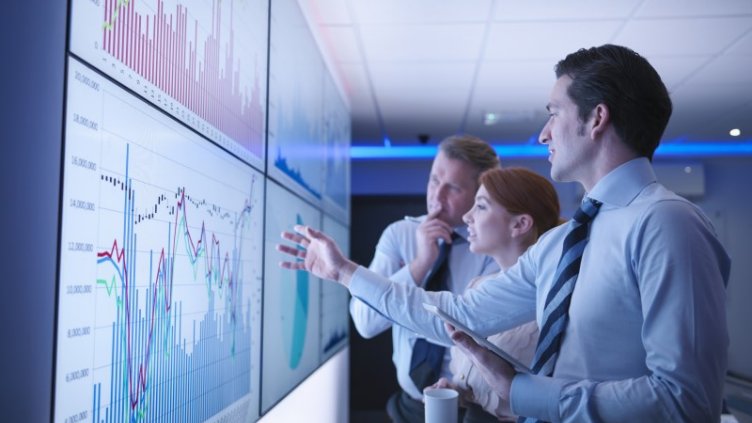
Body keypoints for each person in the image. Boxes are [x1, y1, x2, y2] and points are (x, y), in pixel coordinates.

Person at [278, 44, 731, 422]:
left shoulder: (667, 224)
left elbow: (685, 401)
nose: (542, 134)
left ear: (596, 119)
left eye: (553, 113)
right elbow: (457, 313)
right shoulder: (561, 243)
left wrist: (525, 393)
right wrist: (345, 272)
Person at [350, 134, 500, 422]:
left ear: (481, 192)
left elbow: (479, 330)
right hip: (410, 407)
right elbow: (365, 323)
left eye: (453, 187)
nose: (437, 196)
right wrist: (419, 265)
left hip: (474, 410)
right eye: (434, 180)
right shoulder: (399, 235)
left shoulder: (494, 246)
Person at [429, 167, 561, 422]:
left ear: (520, 224)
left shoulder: (550, 303)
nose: (467, 217)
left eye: (480, 206)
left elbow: (553, 399)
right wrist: (458, 391)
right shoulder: (478, 286)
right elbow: (479, 385)